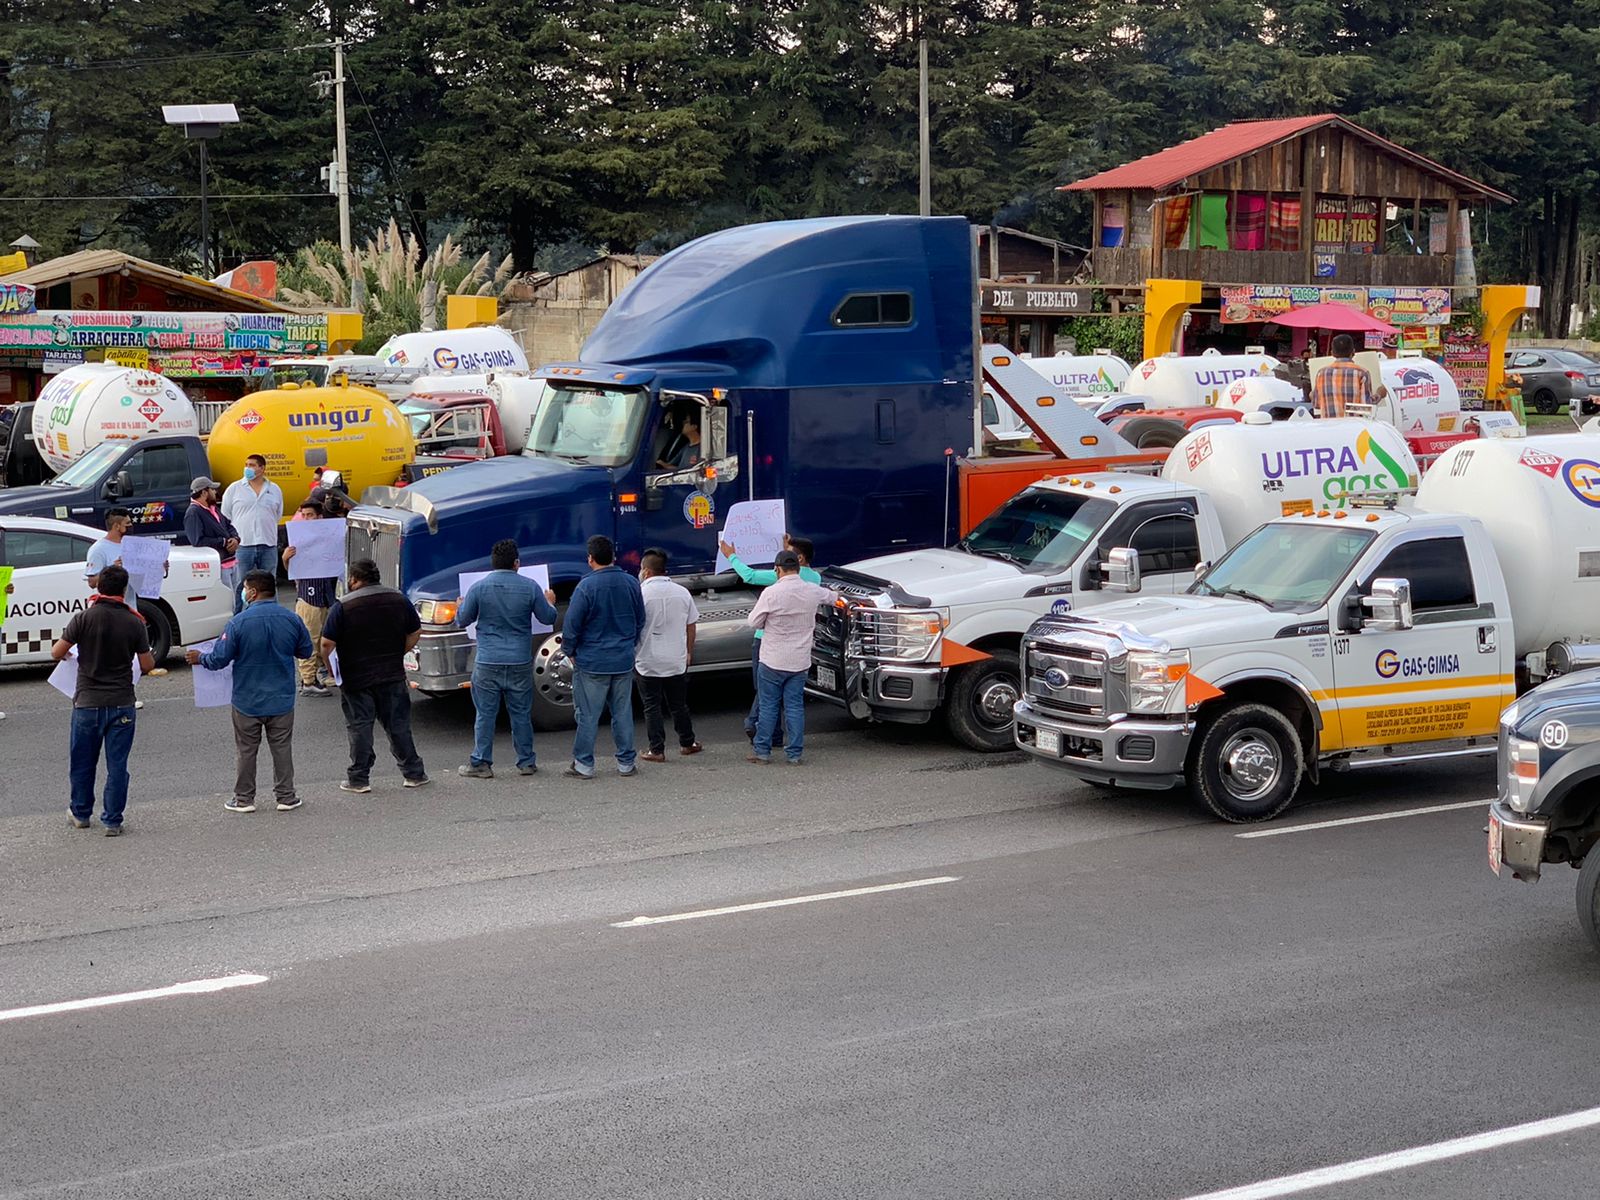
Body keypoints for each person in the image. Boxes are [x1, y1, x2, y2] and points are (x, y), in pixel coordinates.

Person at [186, 569, 312, 814]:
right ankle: (286, 796)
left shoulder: (238, 623)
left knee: (246, 750)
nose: (242, 592)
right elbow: (305, 652)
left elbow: (219, 659)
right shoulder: (291, 619)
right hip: (281, 698)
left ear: (252, 592)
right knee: (282, 747)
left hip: (247, 699)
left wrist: (200, 658)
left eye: (244, 588)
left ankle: (244, 799)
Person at [51, 564, 154, 836]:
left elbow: (56, 652)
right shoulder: (135, 622)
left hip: (87, 702)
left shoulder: (84, 618)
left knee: (83, 762)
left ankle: (81, 813)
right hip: (122, 702)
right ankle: (113, 820)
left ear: (98, 587)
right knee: (118, 765)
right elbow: (146, 664)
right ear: (123, 589)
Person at [321, 558, 429, 792]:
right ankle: (414, 773)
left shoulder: (343, 605)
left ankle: (359, 779)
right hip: (391, 674)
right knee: (398, 725)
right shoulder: (398, 599)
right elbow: (416, 631)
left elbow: (327, 643)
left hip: (355, 677)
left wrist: (333, 670)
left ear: (354, 579)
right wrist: (399, 652)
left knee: (360, 727)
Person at [455, 538, 559, 778]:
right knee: (521, 713)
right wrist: (550, 602)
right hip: (519, 660)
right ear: (516, 563)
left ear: (493, 564)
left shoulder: (479, 588)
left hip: (488, 660)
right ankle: (526, 762)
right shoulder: (531, 587)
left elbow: (463, 620)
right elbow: (547, 618)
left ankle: (481, 762)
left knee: (485, 714)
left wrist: (460, 606)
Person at [718, 534, 821, 741]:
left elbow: (749, 576)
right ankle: (781, 740)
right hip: (797, 647)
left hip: (766, 640)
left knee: (766, 690)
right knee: (791, 701)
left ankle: (762, 731)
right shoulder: (815, 580)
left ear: (798, 559)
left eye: (787, 554)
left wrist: (731, 556)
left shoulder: (780, 578)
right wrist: (788, 548)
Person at [562, 534, 646, 779]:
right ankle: (626, 763)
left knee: (588, 715)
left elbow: (572, 625)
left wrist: (570, 651)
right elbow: (640, 619)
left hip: (592, 661)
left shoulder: (585, 587)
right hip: (622, 659)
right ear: (613, 556)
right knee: (622, 713)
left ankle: (584, 765)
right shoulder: (631, 583)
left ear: (590, 559)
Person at [746, 549, 833, 766]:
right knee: (794, 707)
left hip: (772, 660)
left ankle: (763, 752)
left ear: (777, 569)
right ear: (798, 567)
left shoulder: (771, 593)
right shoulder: (812, 590)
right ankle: (794, 754)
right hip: (799, 661)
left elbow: (754, 622)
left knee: (768, 706)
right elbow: (834, 597)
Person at [635, 547, 702, 763]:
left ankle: (657, 750)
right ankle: (687, 743)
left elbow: (633, 626)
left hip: (648, 659)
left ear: (645, 571)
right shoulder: (682, 592)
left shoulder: (640, 594)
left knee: (652, 705)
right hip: (676, 658)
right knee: (678, 704)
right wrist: (688, 652)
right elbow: (691, 626)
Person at [281, 499, 337, 697]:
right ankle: (308, 681)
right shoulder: (297, 538)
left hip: (328, 597)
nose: (306, 519)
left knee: (327, 639)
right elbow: (292, 572)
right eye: (303, 515)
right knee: (310, 640)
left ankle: (326, 673)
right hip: (308, 597)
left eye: (310, 515)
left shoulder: (329, 537)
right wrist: (286, 558)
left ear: (319, 517)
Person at [221, 453, 283, 613]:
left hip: (267, 544)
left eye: (252, 465)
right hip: (243, 546)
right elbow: (225, 516)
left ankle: (271, 615)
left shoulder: (274, 489)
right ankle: (239, 617)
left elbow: (277, 514)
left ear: (262, 469)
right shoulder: (234, 489)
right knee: (241, 584)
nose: (247, 468)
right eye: (246, 464)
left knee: (269, 583)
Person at [182, 475, 240, 599]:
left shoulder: (213, 508)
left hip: (232, 562)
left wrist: (235, 539)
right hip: (219, 565)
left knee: (238, 600)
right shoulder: (193, 513)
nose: (215, 492)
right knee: (229, 602)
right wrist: (223, 542)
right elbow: (197, 541)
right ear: (204, 492)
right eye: (212, 489)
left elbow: (229, 525)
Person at [1311, 333, 1384, 418]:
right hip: (1353, 427)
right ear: (1353, 352)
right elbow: (1365, 408)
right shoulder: (1362, 373)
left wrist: (1312, 395)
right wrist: (1379, 395)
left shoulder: (1321, 373)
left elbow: (1316, 405)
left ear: (1332, 353)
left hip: (1328, 427)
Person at [85, 508, 140, 613]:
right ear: (117, 526)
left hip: (130, 609)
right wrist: (111, 570)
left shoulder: (130, 546)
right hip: (110, 611)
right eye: (127, 523)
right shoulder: (98, 549)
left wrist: (157, 567)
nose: (131, 526)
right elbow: (92, 582)